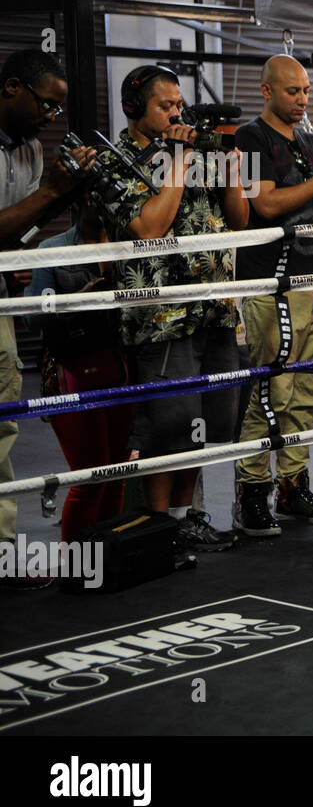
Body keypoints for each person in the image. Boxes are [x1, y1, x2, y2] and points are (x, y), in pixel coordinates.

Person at [98, 64, 248, 551]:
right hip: (162, 316)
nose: (175, 114)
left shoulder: (193, 152)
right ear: (133, 108)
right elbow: (149, 229)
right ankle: (158, 526)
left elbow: (238, 220)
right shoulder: (116, 160)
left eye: (178, 105)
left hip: (215, 308)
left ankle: (187, 517)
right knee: (168, 427)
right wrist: (179, 157)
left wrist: (232, 171)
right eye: (165, 106)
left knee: (203, 423)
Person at [232, 55, 313, 537]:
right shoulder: (248, 139)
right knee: (271, 390)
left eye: (306, 91)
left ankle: (292, 486)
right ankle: (251, 492)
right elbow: (262, 203)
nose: (302, 99)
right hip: (272, 282)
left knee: (309, 390)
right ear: (267, 91)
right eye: (293, 91)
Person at [0, 49, 88, 587]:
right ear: (12, 87)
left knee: (3, 424)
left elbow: (21, 230)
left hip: (0, 305)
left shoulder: (29, 149)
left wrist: (69, 191)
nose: (50, 119)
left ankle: (2, 548)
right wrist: (55, 192)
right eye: (46, 105)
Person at [26, 204, 131, 542]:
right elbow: (32, 318)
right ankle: (77, 567)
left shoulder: (128, 241)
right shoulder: (52, 250)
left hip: (119, 367)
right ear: (77, 202)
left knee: (116, 472)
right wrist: (78, 301)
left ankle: (108, 560)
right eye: (90, 196)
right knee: (90, 476)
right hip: (71, 368)